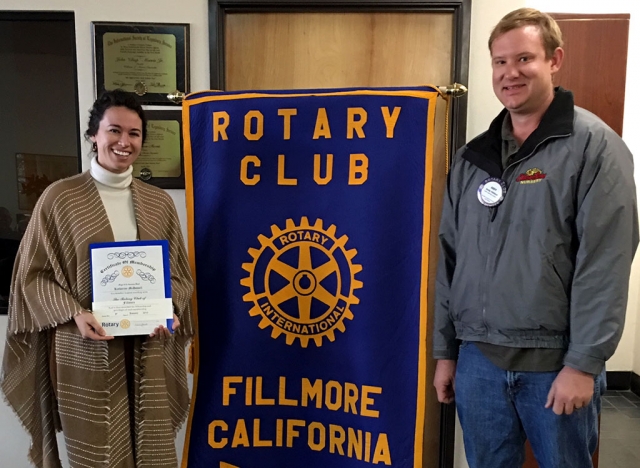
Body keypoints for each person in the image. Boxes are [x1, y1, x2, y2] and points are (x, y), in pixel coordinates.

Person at [433, 8, 638, 468]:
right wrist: (446, 352)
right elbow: (450, 259)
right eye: (500, 62)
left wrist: (584, 364)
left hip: (555, 366)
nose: (510, 73)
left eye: (524, 58)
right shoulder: (471, 158)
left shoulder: (594, 147)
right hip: (478, 363)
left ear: (554, 60)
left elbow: (605, 262)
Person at [1, 89, 194, 468]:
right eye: (114, 131)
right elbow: (32, 276)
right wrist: (74, 312)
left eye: (134, 133)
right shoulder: (61, 198)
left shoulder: (159, 203)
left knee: (152, 452)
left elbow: (179, 276)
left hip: (147, 346)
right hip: (84, 347)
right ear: (94, 134)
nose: (124, 142)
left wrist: (170, 309)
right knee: (96, 453)